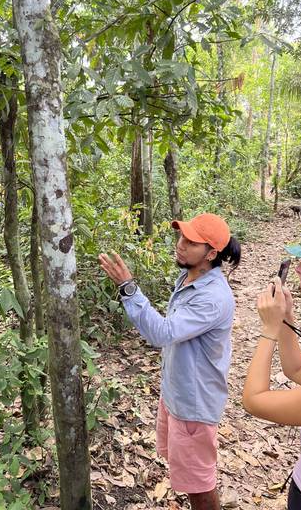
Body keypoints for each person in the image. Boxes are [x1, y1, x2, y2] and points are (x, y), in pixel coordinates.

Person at [99, 213, 241, 510]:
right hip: (177, 392)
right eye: (181, 237)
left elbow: (163, 333)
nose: (180, 245)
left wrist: (128, 288)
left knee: (199, 486)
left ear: (211, 253)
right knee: (190, 477)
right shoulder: (190, 275)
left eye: (191, 242)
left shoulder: (213, 297)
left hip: (194, 404)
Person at [243, 236, 301, 509]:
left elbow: (254, 400)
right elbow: (297, 369)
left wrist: (270, 330)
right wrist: (285, 319)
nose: (298, 268)